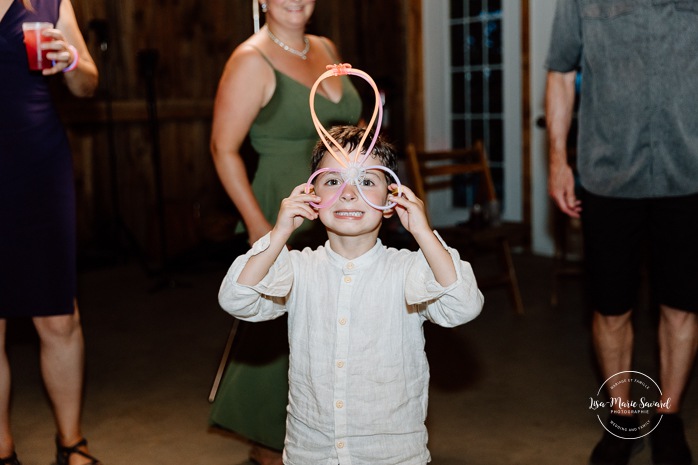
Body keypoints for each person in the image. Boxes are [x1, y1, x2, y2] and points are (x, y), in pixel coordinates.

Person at [217, 125, 483, 464]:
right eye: (332, 180)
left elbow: (464, 304)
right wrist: (280, 231)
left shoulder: (408, 270)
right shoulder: (298, 268)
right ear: (311, 194)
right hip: (310, 453)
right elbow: (236, 298)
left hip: (392, 455)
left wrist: (423, 231)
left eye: (366, 181)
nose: (347, 193)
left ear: (391, 200)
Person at [208, 1, 362, 464]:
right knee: (281, 335)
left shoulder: (327, 47)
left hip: (340, 204)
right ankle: (270, 445)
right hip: (284, 205)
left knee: (339, 325)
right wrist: (260, 225)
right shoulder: (249, 60)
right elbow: (222, 148)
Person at [545, 1, 698, 465]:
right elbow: (558, 72)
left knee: (682, 304)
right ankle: (623, 418)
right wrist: (557, 161)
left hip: (690, 175)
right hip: (607, 175)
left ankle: (669, 417)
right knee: (611, 307)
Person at [0, 0, 100, 464]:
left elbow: (87, 85)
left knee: (60, 315)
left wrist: (71, 63)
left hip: (38, 163)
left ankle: (71, 443)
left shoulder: (50, 0)